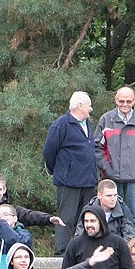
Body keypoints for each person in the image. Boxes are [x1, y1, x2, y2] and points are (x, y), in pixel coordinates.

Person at [94, 86, 135, 236]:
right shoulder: (106, 119)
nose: (125, 104)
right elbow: (96, 147)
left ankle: (134, 252)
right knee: (111, 214)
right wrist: (106, 168)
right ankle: (112, 248)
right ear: (116, 100)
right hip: (112, 178)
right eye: (121, 101)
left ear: (134, 100)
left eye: (129, 101)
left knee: (134, 215)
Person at [42, 91, 98, 255]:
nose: (91, 109)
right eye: (89, 105)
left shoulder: (87, 124)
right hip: (68, 182)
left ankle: (85, 251)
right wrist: (60, 171)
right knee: (65, 219)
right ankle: (61, 253)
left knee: (88, 218)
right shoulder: (61, 124)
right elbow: (48, 152)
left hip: (88, 182)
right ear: (80, 105)